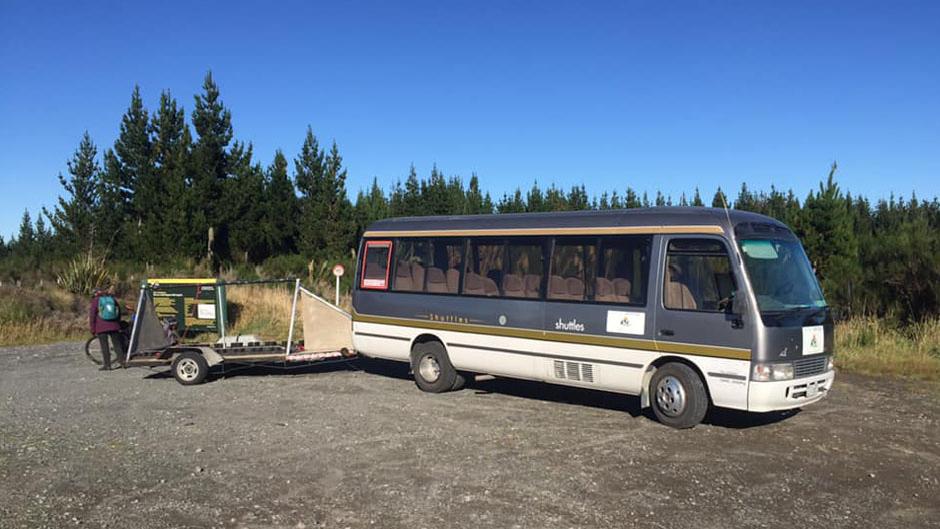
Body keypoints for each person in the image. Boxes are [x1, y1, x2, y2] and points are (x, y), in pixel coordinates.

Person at [89, 285, 125, 371]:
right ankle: (122, 362)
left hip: (101, 326)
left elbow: (92, 316)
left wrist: (93, 329)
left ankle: (107, 365)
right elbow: (118, 311)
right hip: (114, 325)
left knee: (104, 346)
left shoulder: (96, 301)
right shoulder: (112, 299)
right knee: (117, 345)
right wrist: (117, 322)